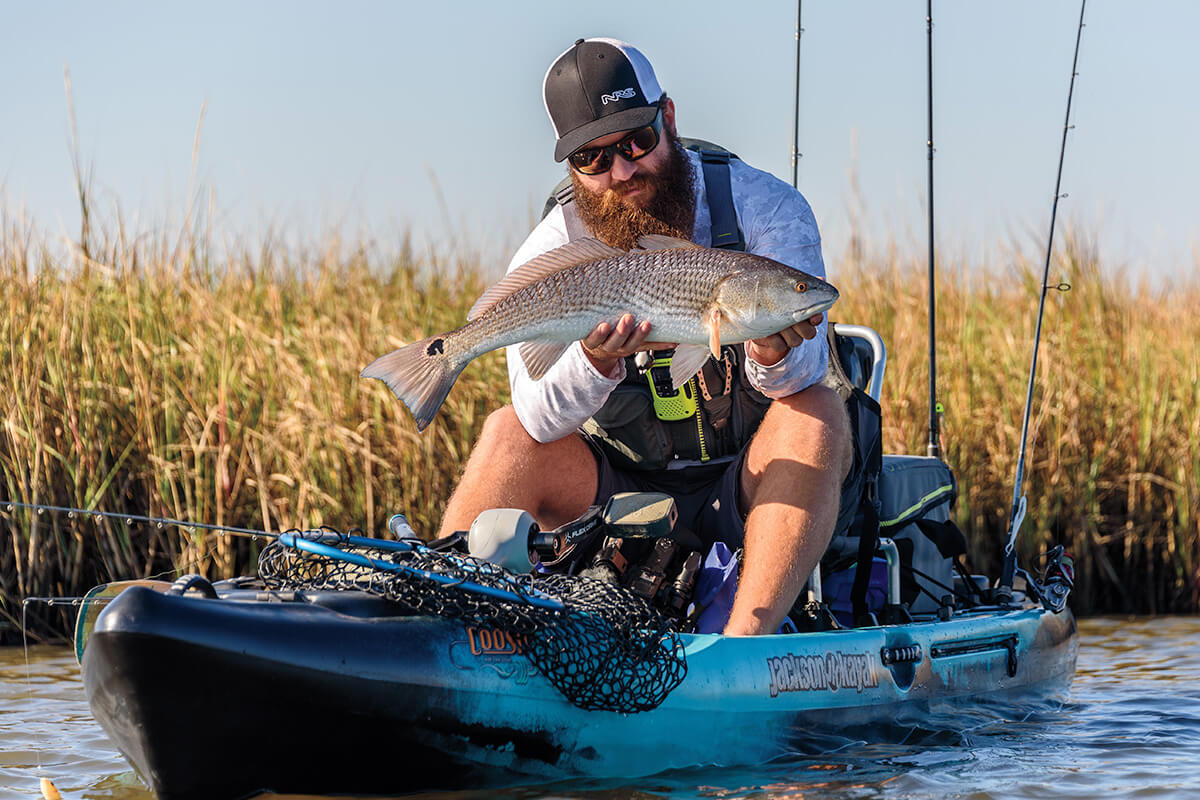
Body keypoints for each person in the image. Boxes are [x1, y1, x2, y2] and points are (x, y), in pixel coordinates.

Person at [438, 38, 852, 635]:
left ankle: (741, 651)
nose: (623, 171)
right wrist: (592, 363)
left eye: (638, 141)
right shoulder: (551, 249)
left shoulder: (768, 210)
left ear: (670, 118)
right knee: (505, 433)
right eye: (593, 158)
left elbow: (805, 371)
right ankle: (452, 630)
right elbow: (536, 418)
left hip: (745, 484)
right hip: (612, 496)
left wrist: (767, 349)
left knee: (817, 410)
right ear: (571, 166)